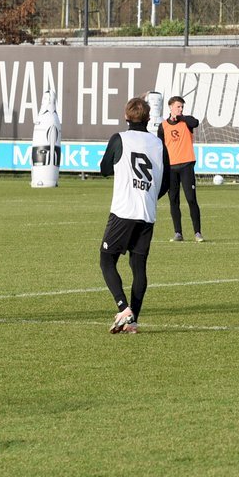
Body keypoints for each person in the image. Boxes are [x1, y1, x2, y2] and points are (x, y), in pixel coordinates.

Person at [98, 96, 170, 334]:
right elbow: (166, 182)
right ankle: (133, 321)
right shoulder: (158, 144)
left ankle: (123, 308)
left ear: (126, 117)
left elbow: (104, 169)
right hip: (147, 212)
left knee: (107, 260)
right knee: (138, 266)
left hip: (124, 210)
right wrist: (148, 196)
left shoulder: (120, 138)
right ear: (148, 118)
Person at [158, 95, 203, 242]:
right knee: (173, 200)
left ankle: (197, 233)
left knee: (191, 199)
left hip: (186, 165)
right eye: (178, 106)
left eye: (182, 107)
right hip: (171, 168)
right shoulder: (163, 126)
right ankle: (178, 233)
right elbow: (161, 148)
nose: (180, 109)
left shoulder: (186, 122)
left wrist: (181, 117)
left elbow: (195, 122)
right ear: (170, 107)